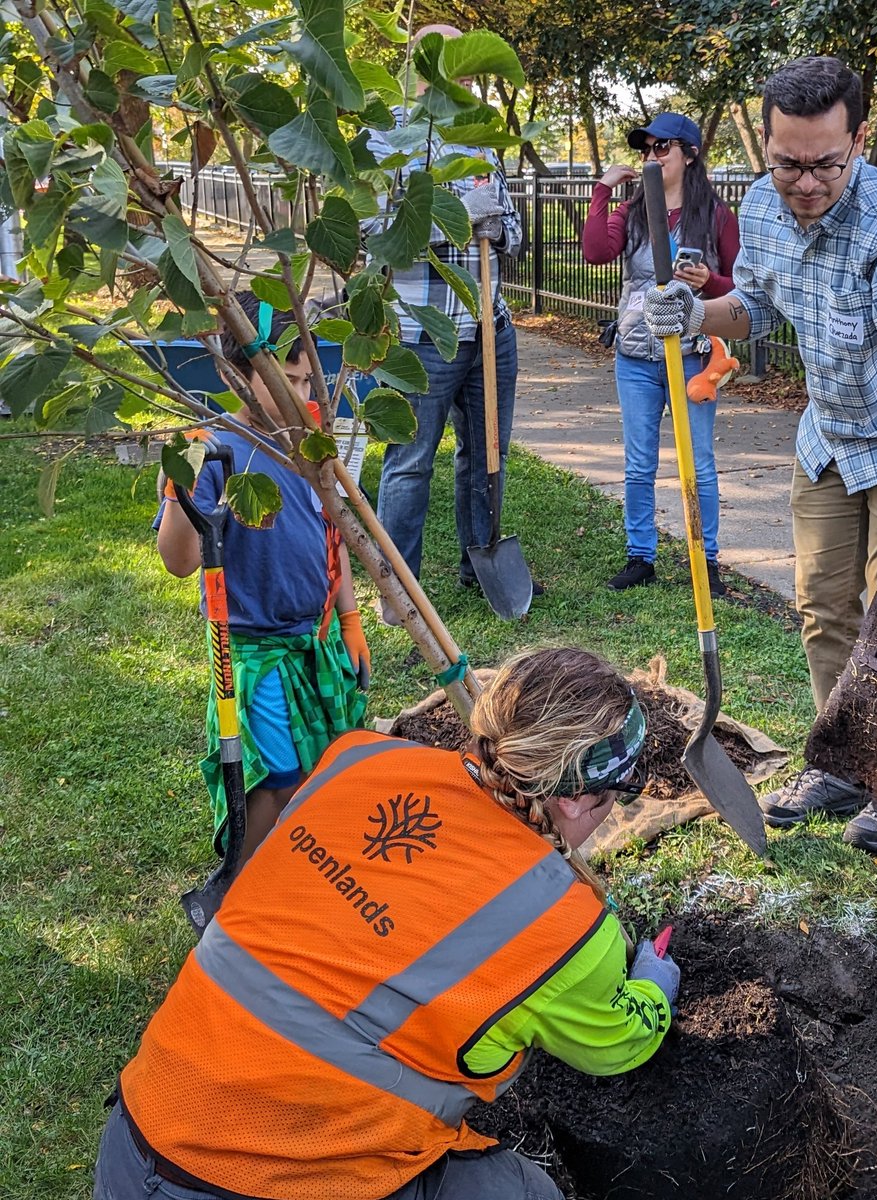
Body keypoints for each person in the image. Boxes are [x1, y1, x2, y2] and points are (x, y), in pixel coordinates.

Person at [93, 646, 679, 1200]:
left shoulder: (362, 757)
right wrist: (655, 985)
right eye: (616, 798)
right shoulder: (565, 926)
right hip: (258, 1181)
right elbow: (614, 1044)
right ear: (577, 800)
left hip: (138, 1133)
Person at [642, 57, 877, 853]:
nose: (803, 182)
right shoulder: (764, 206)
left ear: (859, 141)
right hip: (834, 428)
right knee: (824, 605)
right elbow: (756, 307)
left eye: (823, 163)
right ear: (763, 143)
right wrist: (696, 312)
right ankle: (848, 762)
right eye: (786, 161)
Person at [155, 291, 370, 871]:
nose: (301, 397)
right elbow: (179, 560)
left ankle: (301, 880)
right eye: (288, 382)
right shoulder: (215, 448)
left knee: (322, 774)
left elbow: (333, 539)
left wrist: (349, 620)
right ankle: (244, 896)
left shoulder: (309, 444)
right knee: (272, 780)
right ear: (242, 377)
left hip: (316, 641)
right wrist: (179, 488)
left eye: (306, 382)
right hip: (255, 651)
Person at [365, 24, 533, 620]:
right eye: (450, 66)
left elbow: (512, 226)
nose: (462, 78)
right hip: (419, 334)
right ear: (418, 65)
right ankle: (398, 589)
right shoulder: (386, 139)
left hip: (491, 327)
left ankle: (476, 564)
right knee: (410, 462)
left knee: (486, 454)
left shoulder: (480, 139)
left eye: (468, 69)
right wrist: (456, 218)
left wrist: (497, 227)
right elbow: (376, 235)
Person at [582, 112, 740, 595]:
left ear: (689, 155)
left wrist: (708, 282)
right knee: (638, 462)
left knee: (700, 461)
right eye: (646, 149)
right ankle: (640, 556)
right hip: (635, 353)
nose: (651, 157)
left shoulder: (716, 216)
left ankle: (705, 559)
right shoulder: (630, 213)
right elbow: (594, 252)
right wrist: (603, 190)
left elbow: (742, 289)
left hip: (693, 356)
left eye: (662, 148)